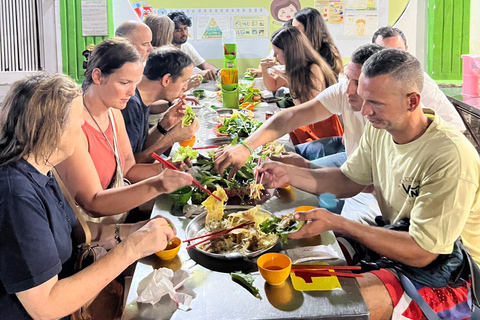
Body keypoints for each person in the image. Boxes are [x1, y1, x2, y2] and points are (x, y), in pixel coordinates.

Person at [258, 49, 480, 320]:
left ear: (412, 101)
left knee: (336, 307)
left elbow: (424, 251)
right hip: (401, 238)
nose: (364, 111)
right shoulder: (381, 129)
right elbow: (348, 180)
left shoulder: (449, 156)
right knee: (302, 258)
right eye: (363, 99)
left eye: (375, 102)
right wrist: (289, 174)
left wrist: (340, 223)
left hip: (455, 270)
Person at [0, 73, 189, 319]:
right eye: (77, 119)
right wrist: (131, 249)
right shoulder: (16, 195)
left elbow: (77, 232)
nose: (81, 126)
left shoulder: (41, 168)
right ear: (52, 130)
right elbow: (45, 306)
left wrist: (133, 230)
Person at [55, 38, 192, 221]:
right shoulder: (73, 125)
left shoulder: (113, 112)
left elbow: (129, 169)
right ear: (97, 76)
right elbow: (93, 204)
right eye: (124, 83)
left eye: (135, 83)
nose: (131, 92)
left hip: (118, 215)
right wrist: (157, 184)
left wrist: (167, 168)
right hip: (93, 230)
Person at [372, 26, 465, 132]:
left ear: (406, 51)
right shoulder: (364, 81)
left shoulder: (418, 79)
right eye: (385, 53)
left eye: (398, 52)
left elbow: (456, 126)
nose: (392, 59)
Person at [260, 27, 343, 145]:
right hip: (306, 123)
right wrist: (264, 70)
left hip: (320, 128)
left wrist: (288, 79)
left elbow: (309, 107)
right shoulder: (291, 67)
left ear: (290, 52)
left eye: (277, 53)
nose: (274, 57)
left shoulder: (313, 68)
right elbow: (272, 86)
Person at [121, 47, 200, 164]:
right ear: (166, 79)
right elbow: (132, 166)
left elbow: (142, 147)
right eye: (184, 81)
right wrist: (171, 138)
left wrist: (165, 124)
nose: (185, 87)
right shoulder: (129, 105)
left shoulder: (142, 99)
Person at [144, 13, 201, 91]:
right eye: (176, 30)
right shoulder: (158, 57)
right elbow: (162, 92)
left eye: (185, 28)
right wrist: (184, 87)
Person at [293, 7, 343, 77]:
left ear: (309, 30)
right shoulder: (305, 48)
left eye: (297, 29)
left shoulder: (326, 51)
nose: (294, 33)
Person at [168, 11, 218, 81]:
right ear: (169, 31)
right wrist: (197, 75)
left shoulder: (187, 47)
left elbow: (203, 64)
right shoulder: (165, 51)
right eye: (178, 30)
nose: (184, 33)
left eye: (185, 28)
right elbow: (171, 78)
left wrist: (217, 72)